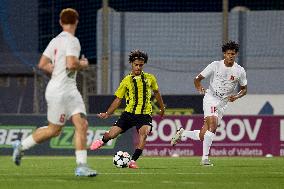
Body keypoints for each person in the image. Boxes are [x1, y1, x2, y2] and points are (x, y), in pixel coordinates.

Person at [12, 8, 97, 177]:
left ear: (60, 22)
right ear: (76, 21)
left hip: (66, 89)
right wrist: (84, 64)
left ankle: (81, 166)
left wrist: (57, 69)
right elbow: (72, 64)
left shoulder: (55, 41)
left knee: (82, 124)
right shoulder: (73, 41)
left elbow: (42, 64)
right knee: (54, 130)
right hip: (62, 91)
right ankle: (21, 146)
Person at [171, 41, 247, 166]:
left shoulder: (240, 71)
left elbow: (244, 89)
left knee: (203, 135)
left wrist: (237, 96)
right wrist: (199, 87)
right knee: (213, 125)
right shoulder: (215, 65)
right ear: (224, 54)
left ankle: (182, 133)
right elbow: (197, 79)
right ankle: (205, 159)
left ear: (236, 54)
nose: (231, 56)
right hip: (211, 98)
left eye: (233, 54)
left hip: (223, 103)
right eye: (228, 53)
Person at [90, 49, 165, 169]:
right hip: (128, 114)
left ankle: (132, 161)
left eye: (141, 65)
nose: (138, 67)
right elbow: (118, 100)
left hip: (144, 114)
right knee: (112, 134)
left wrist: (162, 108)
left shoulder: (150, 78)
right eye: (136, 65)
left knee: (144, 134)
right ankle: (103, 140)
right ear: (131, 64)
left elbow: (156, 93)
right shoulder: (126, 81)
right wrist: (107, 113)